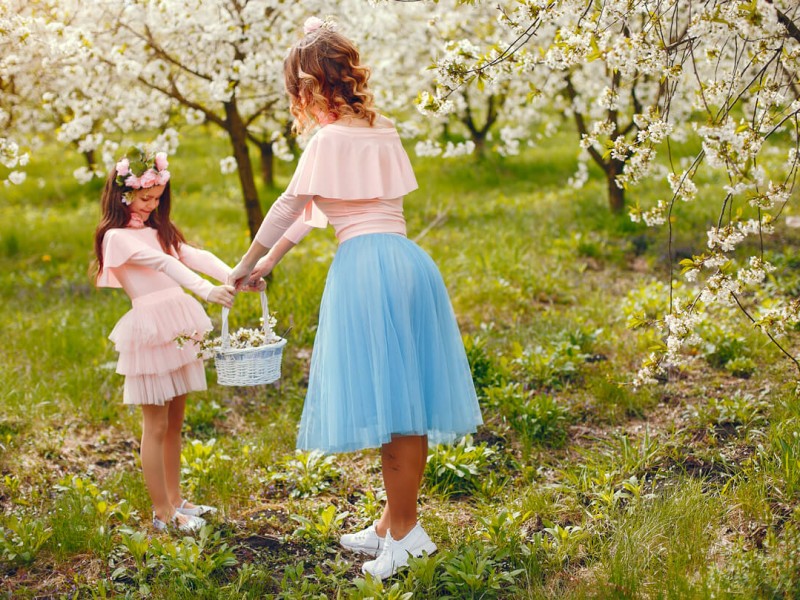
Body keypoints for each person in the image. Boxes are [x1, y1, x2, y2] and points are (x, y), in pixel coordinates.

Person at [229, 17, 483, 579]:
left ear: (313, 86)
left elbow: (288, 208)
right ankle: (393, 523)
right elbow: (322, 207)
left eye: (299, 88)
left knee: (394, 409)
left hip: (367, 270)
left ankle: (408, 533)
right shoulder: (380, 128)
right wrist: (270, 262)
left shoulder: (328, 140)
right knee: (404, 397)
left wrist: (242, 268)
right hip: (408, 262)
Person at [93, 146, 257, 532]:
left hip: (179, 325)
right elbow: (163, 263)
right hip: (151, 329)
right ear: (123, 194)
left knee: (175, 422)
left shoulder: (156, 230)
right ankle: (162, 512)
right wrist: (206, 291)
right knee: (156, 424)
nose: (151, 205)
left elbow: (190, 254)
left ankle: (176, 500)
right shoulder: (115, 237)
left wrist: (237, 276)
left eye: (156, 197)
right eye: (145, 197)